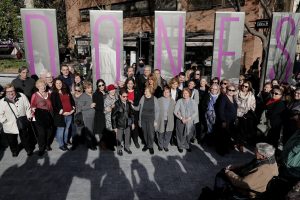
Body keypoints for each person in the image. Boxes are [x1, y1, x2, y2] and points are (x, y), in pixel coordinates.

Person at [0, 84, 32, 157]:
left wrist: (28, 116)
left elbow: (28, 107)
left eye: (12, 91)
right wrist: (5, 121)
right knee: (12, 140)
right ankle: (14, 151)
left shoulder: (21, 96)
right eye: (8, 91)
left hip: (22, 122)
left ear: (15, 90)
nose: (11, 93)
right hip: (9, 125)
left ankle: (28, 149)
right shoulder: (2, 102)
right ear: (5, 92)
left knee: (25, 138)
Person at [133, 86, 159, 155]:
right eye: (145, 91)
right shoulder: (143, 98)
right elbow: (139, 107)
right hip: (143, 119)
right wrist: (133, 107)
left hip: (151, 119)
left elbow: (157, 111)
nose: (145, 92)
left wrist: (156, 121)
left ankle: (151, 146)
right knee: (145, 133)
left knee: (151, 133)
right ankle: (147, 145)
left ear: (150, 91)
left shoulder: (154, 99)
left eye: (146, 91)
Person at [51, 78, 75, 151]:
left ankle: (65, 142)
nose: (59, 85)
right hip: (61, 115)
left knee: (67, 129)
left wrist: (73, 108)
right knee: (61, 130)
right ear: (54, 85)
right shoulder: (54, 93)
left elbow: (71, 100)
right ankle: (61, 144)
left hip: (70, 113)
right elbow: (54, 106)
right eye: (57, 83)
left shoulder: (66, 91)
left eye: (60, 83)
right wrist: (61, 112)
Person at [30, 79, 53, 156]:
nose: (43, 87)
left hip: (49, 116)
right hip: (39, 116)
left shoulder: (49, 94)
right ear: (37, 86)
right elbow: (32, 105)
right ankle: (41, 148)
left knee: (49, 132)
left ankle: (47, 145)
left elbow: (52, 104)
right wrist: (33, 115)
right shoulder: (35, 95)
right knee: (42, 134)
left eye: (44, 85)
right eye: (41, 86)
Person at [215, 84, 238, 155]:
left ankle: (226, 148)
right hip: (225, 120)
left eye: (233, 90)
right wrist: (223, 121)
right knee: (223, 136)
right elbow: (220, 110)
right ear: (227, 90)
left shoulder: (233, 98)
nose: (231, 91)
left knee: (228, 136)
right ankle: (220, 150)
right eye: (229, 90)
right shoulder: (224, 98)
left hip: (231, 121)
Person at [174, 88, 198, 153]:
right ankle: (180, 146)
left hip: (190, 120)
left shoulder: (193, 101)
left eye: (186, 93)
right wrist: (182, 118)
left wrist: (189, 118)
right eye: (184, 93)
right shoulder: (179, 101)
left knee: (188, 134)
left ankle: (187, 145)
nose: (185, 94)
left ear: (189, 94)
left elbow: (195, 112)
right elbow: (175, 111)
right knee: (180, 134)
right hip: (180, 120)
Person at [112, 89, 135, 156]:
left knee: (127, 136)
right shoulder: (116, 104)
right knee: (119, 137)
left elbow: (131, 114)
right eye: (124, 96)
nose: (125, 98)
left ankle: (127, 148)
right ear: (120, 96)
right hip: (119, 124)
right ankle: (119, 149)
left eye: (126, 96)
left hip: (128, 123)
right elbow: (113, 116)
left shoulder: (128, 103)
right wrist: (114, 127)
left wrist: (132, 123)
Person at [235, 81, 256, 152]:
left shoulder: (251, 95)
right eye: (243, 85)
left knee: (243, 130)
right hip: (237, 113)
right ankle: (237, 142)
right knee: (237, 128)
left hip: (246, 114)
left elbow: (253, 105)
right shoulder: (237, 93)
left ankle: (241, 144)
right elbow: (235, 102)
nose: (244, 87)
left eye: (246, 86)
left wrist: (247, 111)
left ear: (249, 87)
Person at [77, 81, 96, 150]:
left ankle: (90, 143)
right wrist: (89, 106)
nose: (90, 89)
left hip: (94, 115)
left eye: (91, 87)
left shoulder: (93, 94)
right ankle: (90, 145)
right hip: (87, 116)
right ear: (85, 89)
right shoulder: (83, 96)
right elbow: (80, 108)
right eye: (88, 88)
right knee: (89, 130)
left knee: (92, 130)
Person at [157, 86, 175, 152]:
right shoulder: (159, 100)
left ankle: (165, 145)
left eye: (167, 92)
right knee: (160, 132)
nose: (166, 93)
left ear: (170, 93)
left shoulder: (173, 101)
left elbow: (176, 111)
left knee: (168, 133)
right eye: (164, 92)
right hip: (161, 120)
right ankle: (160, 146)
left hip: (169, 120)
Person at [125, 77, 141, 148]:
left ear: (133, 84)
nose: (130, 85)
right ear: (126, 84)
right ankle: (128, 140)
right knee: (128, 126)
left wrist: (133, 102)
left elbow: (138, 101)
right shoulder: (124, 91)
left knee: (135, 126)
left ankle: (136, 140)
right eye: (128, 83)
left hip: (135, 111)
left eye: (131, 83)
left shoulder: (137, 91)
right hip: (127, 112)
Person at [104, 84, 118, 149]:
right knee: (110, 131)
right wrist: (111, 108)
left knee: (115, 131)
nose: (113, 91)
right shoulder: (106, 99)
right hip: (109, 117)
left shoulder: (117, 97)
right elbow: (105, 110)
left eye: (113, 89)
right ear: (108, 91)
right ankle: (110, 145)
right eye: (111, 90)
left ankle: (115, 142)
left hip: (116, 117)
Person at [93, 79, 106, 145]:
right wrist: (103, 109)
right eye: (99, 85)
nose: (101, 86)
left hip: (107, 113)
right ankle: (101, 143)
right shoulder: (95, 94)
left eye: (102, 85)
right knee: (101, 129)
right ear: (97, 87)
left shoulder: (107, 92)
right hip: (100, 114)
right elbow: (95, 106)